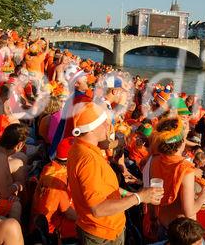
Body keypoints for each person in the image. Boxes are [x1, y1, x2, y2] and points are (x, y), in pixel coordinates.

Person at [67, 102, 163, 245]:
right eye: (104, 122)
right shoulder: (89, 160)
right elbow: (98, 209)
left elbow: (101, 186)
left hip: (99, 229)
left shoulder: (79, 147)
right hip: (103, 234)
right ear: (91, 130)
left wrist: (126, 194)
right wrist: (139, 197)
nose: (108, 126)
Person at [147, 117, 205, 236]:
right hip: (181, 233)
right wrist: (203, 197)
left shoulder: (154, 161)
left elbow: (152, 196)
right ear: (181, 142)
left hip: (162, 223)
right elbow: (189, 211)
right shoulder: (185, 169)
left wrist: (153, 219)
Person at [31, 137, 77, 240]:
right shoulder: (59, 178)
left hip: (37, 222)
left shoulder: (49, 167)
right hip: (51, 230)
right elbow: (68, 213)